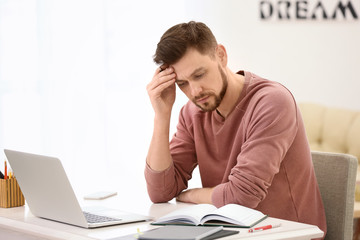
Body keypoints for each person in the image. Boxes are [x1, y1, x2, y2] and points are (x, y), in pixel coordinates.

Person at [145, 21, 326, 235]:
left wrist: (191, 194)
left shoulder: (271, 102)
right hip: (230, 232)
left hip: (287, 234)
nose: (195, 91)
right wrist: (161, 116)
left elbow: (242, 196)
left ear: (221, 55)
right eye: (182, 83)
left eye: (199, 74)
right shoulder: (192, 113)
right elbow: (160, 191)